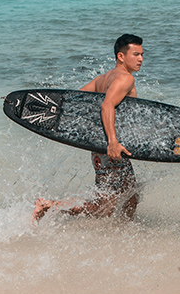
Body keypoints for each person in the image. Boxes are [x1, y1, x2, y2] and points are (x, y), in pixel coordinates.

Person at [32, 34, 144, 222]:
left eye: (142, 54)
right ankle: (48, 205)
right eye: (136, 54)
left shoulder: (102, 79)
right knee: (105, 205)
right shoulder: (125, 79)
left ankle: (122, 229)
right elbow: (107, 105)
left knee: (129, 195)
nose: (140, 59)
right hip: (112, 147)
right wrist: (113, 142)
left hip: (99, 147)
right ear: (121, 56)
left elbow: (75, 100)